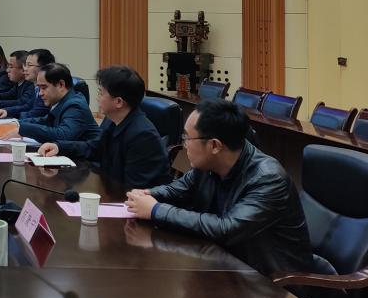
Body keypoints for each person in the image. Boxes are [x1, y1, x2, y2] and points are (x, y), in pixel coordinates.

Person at [125, 99, 314, 277]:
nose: (184, 145)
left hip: (272, 283)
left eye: (187, 138)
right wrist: (147, 194)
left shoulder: (268, 178)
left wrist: (156, 210)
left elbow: (226, 229)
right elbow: (179, 190)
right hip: (227, 265)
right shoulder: (209, 164)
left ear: (214, 145)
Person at [36, 65, 169, 189]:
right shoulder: (113, 121)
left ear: (118, 102)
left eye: (101, 93)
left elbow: (135, 189)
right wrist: (59, 147)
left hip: (133, 200)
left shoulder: (142, 136)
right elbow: (93, 148)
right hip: (112, 192)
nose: (97, 98)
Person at [18, 63, 99, 143]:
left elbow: (63, 136)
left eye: (44, 88)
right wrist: (17, 124)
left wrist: (23, 129)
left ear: (61, 85)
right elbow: (46, 121)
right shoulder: (62, 101)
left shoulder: (75, 105)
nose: (40, 93)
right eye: (39, 88)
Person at [0, 48, 52, 119]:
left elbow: (37, 114)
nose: (25, 69)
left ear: (44, 68)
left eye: (29, 65)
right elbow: (27, 106)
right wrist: (6, 111)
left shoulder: (47, 89)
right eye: (25, 65)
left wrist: (13, 120)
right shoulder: (37, 88)